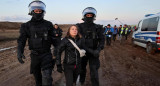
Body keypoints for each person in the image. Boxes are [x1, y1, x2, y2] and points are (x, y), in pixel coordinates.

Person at [17, 1, 55, 86]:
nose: (38, 12)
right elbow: (21, 40)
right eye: (36, 11)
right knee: (38, 79)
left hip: (46, 54)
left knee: (47, 77)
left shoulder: (48, 24)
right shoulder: (26, 26)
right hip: (34, 55)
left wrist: (59, 50)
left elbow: (54, 39)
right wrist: (19, 51)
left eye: (40, 11)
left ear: (43, 12)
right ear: (32, 11)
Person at [76, 7, 105, 86]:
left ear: (94, 16)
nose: (89, 17)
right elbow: (76, 40)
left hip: (94, 53)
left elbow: (102, 40)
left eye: (91, 15)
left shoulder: (98, 27)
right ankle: (81, 82)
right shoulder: (79, 27)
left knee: (94, 71)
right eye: (87, 15)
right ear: (84, 16)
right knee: (81, 69)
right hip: (82, 52)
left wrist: (98, 50)